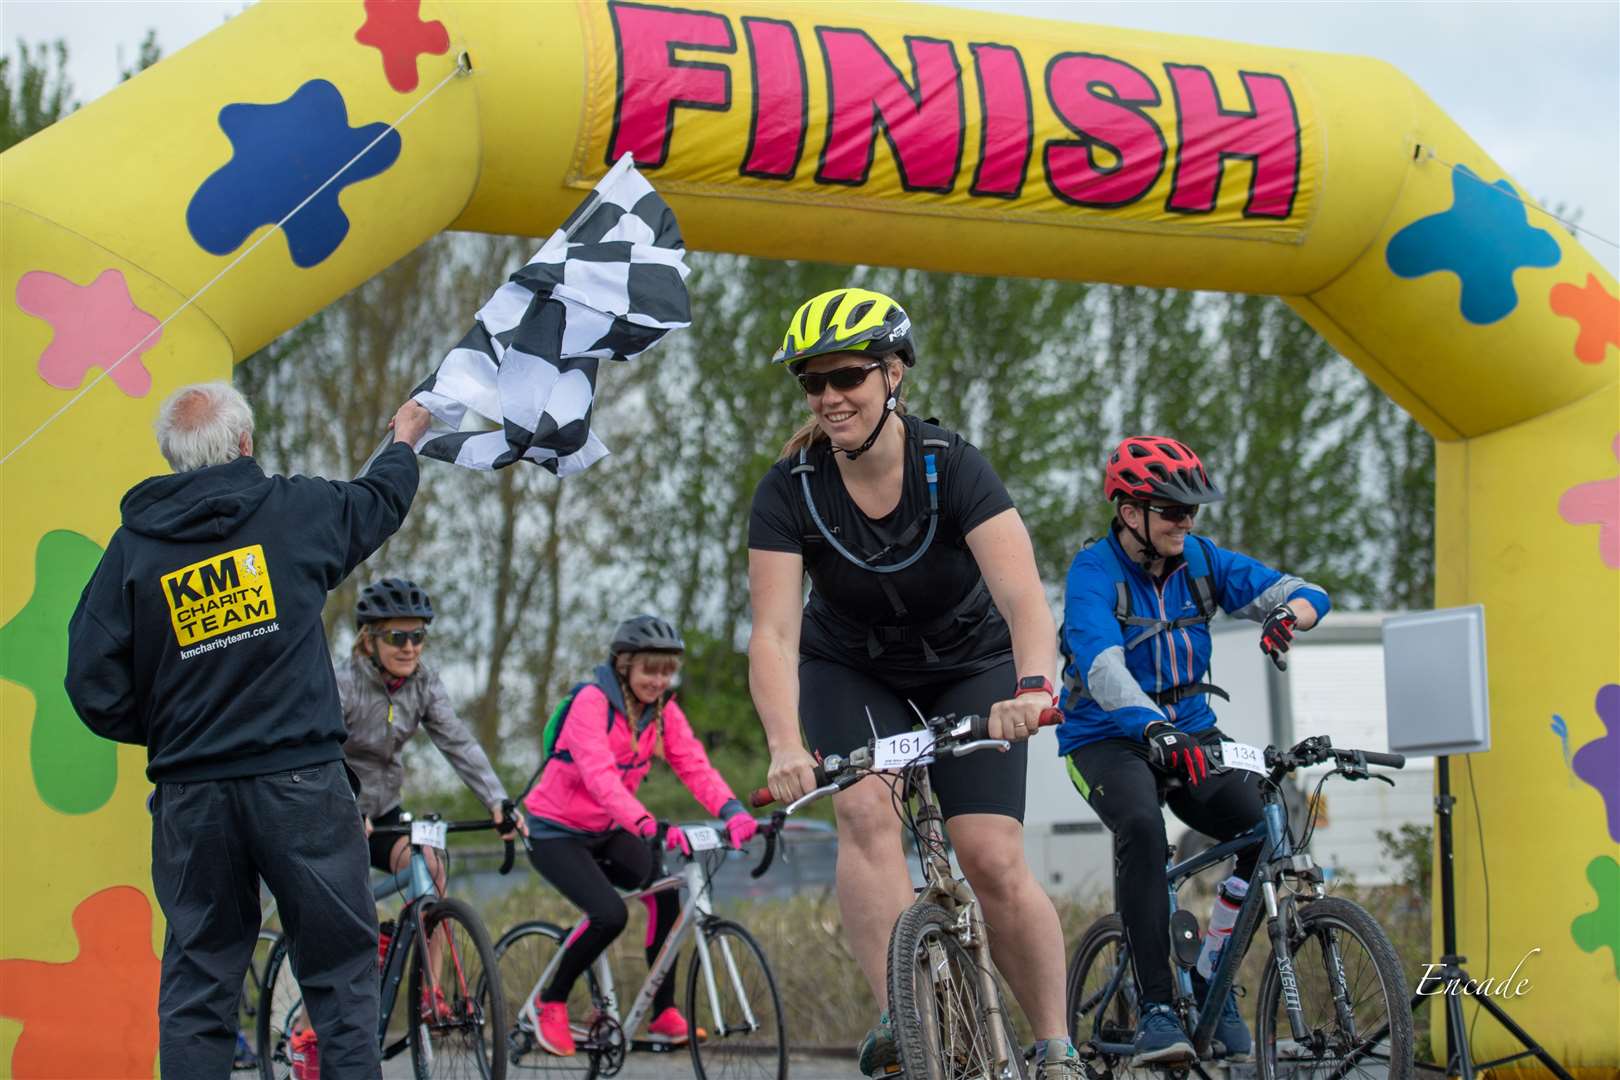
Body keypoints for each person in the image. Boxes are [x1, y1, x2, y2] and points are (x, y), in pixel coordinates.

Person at [747, 288, 1082, 1079]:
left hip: (970, 664)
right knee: (865, 806)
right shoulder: (789, 488)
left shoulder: (950, 465)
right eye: (811, 383)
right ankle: (904, 1012)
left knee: (990, 855)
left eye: (848, 378)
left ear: (893, 374)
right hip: (850, 666)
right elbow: (773, 631)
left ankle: (1058, 1045)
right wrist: (784, 744)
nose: (829, 398)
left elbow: (1025, 599)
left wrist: (1033, 689)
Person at [65, 381, 431, 1079]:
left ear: (173, 457)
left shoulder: (134, 550)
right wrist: (405, 438)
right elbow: (377, 501)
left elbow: (89, 680)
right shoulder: (293, 512)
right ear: (244, 443)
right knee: (341, 979)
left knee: (200, 987)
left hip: (192, 797)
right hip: (301, 786)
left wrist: (174, 730)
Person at [1057, 435, 1331, 1065]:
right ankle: (1156, 1007)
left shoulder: (1202, 561)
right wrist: (1153, 728)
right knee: (1142, 829)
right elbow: (1100, 665)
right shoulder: (1093, 571)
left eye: (1192, 511)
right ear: (1131, 513)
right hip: (1105, 738)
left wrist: (1288, 615)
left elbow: (1307, 591)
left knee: (1265, 828)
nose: (1187, 521)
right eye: (1173, 510)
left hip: (1193, 731)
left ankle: (1212, 973)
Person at [276, 576, 526, 1069]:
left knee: (428, 867)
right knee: (351, 921)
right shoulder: (343, 683)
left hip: (386, 811)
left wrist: (498, 800)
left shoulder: (424, 684)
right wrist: (347, 809)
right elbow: (319, 750)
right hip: (334, 807)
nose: (409, 647)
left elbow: (458, 742)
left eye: (417, 636)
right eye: (397, 636)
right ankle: (308, 1027)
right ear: (369, 639)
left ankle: (429, 994)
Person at [519, 615, 759, 1056]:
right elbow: (600, 779)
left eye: (668, 671)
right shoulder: (591, 702)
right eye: (651, 669)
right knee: (609, 914)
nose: (660, 680)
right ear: (624, 664)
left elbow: (694, 765)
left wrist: (732, 810)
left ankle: (664, 1013)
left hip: (608, 828)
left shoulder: (662, 711)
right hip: (554, 831)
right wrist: (649, 825)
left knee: (666, 892)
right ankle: (548, 1000)